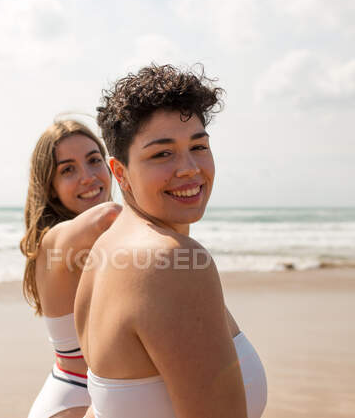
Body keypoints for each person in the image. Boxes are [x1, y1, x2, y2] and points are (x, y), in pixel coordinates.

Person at [75, 65, 267, 418]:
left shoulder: (105, 248)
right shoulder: (171, 262)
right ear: (120, 173)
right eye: (162, 154)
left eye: (199, 146)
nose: (190, 168)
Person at [21, 119, 121, 418]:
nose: (88, 177)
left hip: (93, 392)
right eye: (68, 170)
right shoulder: (54, 240)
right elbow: (110, 214)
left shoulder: (106, 242)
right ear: (50, 189)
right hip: (74, 397)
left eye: (94, 161)